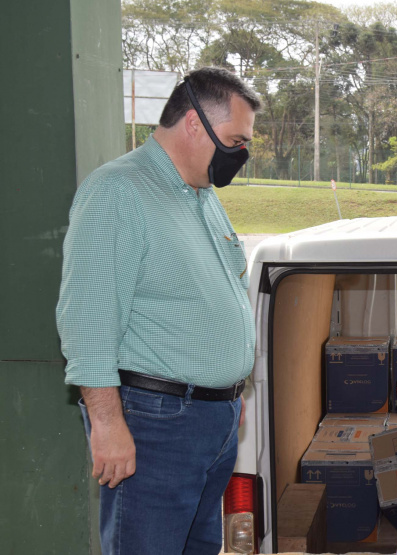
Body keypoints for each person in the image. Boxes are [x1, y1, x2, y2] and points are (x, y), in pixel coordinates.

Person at [56, 67, 261, 555]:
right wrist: (106, 424)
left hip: (212, 418)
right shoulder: (117, 191)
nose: (241, 155)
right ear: (194, 124)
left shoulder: (201, 194)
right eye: (235, 141)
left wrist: (230, 389)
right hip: (158, 423)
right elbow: (87, 318)